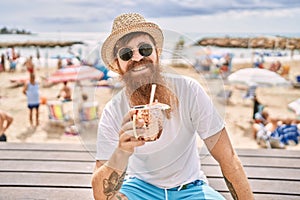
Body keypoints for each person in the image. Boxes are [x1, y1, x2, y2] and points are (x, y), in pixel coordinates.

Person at [91, 13, 254, 200]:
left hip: (190, 188)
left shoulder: (189, 90)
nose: (137, 58)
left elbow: (228, 159)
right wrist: (122, 151)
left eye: (144, 49)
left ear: (157, 54)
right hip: (139, 188)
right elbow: (100, 195)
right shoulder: (114, 110)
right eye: (126, 54)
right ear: (117, 64)